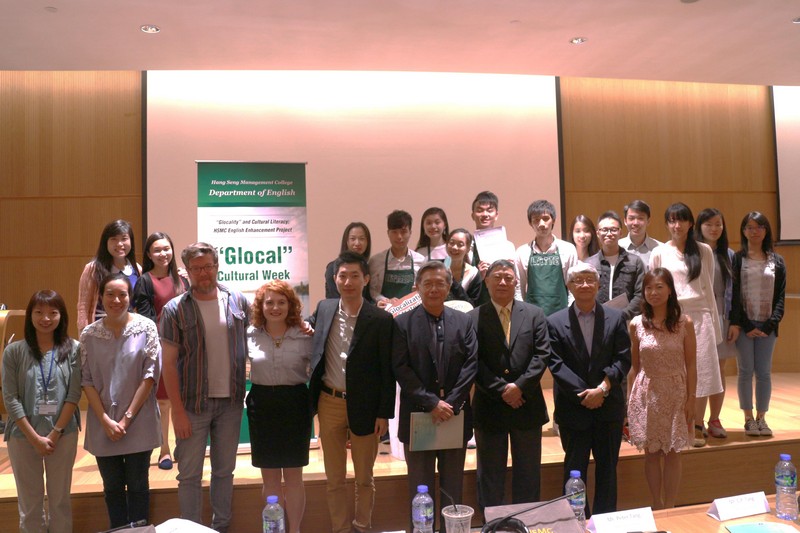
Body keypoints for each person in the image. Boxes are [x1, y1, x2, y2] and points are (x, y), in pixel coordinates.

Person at [159, 242, 251, 532]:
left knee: (224, 472)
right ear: (187, 272)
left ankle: (221, 527)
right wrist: (177, 411)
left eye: (208, 266)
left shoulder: (237, 300)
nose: (204, 273)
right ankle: (192, 529)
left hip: (231, 403)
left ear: (217, 266)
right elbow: (169, 364)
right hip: (192, 405)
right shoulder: (175, 309)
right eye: (197, 268)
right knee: (189, 476)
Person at [309, 251, 395, 533]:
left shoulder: (380, 319)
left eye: (354, 276)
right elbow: (307, 332)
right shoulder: (324, 309)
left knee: (364, 478)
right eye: (342, 276)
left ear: (366, 279)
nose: (348, 281)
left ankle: (362, 526)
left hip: (367, 407)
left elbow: (387, 370)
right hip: (329, 401)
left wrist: (384, 413)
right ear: (335, 279)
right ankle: (340, 529)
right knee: (334, 479)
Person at [392, 261, 478, 531]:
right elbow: (400, 368)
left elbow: (471, 363)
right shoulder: (402, 323)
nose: (433, 289)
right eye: (427, 283)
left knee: (453, 487)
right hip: (419, 415)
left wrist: (450, 404)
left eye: (440, 283)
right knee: (420, 488)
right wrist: (432, 403)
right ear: (417, 287)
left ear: (449, 286)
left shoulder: (463, 320)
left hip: (454, 414)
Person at [547, 263, 631, 517]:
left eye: (589, 280)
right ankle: (575, 521)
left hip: (608, 407)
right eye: (578, 280)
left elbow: (623, 359)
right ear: (569, 286)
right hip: (574, 408)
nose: (584, 284)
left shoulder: (616, 318)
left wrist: (603, 389)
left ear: (598, 285)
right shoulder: (554, 321)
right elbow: (555, 364)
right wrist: (586, 393)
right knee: (574, 470)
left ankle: (605, 522)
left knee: (608, 469)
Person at [81, 273, 161, 528]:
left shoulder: (146, 327)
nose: (116, 300)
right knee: (112, 487)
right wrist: (105, 420)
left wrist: (126, 418)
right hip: (103, 421)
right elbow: (87, 380)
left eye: (122, 294)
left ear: (131, 296)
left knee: (138, 485)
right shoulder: (89, 334)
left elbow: (150, 376)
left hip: (139, 419)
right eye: (110, 294)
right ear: (101, 298)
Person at [469, 260, 549, 510]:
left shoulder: (534, 314)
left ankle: (525, 523)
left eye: (508, 277)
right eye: (497, 277)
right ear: (487, 281)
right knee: (490, 475)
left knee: (528, 473)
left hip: (527, 405)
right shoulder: (472, 317)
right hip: (489, 406)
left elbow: (542, 355)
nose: (502, 282)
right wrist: (502, 389)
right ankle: (493, 525)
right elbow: (473, 360)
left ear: (516, 282)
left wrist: (520, 387)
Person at [2, 290, 81, 533]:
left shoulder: (74, 349)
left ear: (62, 316)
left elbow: (74, 395)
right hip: (22, 437)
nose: (45, 318)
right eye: (39, 312)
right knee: (30, 504)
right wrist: (34, 438)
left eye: (52, 312)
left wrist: (55, 433)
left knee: (60, 502)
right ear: (30, 315)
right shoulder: (14, 351)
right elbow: (10, 398)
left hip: (63, 435)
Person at [649, 203, 723, 448]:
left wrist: (715, 324)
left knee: (701, 370)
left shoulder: (703, 251)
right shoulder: (659, 252)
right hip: (672, 316)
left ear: (691, 223)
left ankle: (698, 424)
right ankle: (678, 425)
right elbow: (654, 290)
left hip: (700, 317)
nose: (676, 225)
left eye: (681, 220)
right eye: (671, 220)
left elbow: (709, 290)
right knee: (675, 371)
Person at [627, 268, 697, 509]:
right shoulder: (636, 324)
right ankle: (656, 504)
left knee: (673, 453)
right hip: (647, 392)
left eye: (659, 287)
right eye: (649, 288)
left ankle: (671, 506)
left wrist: (692, 398)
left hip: (676, 392)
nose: (653, 292)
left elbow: (691, 364)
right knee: (652, 453)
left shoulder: (684, 322)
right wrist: (630, 401)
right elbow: (634, 367)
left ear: (669, 290)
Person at [247, 280, 313, 533]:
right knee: (270, 475)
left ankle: (294, 529)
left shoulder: (305, 334)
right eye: (270, 302)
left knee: (294, 475)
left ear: (291, 305)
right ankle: (275, 529)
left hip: (295, 403)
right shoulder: (249, 334)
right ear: (261, 306)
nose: (275, 307)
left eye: (281, 302)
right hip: (262, 405)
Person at [132, 231, 189, 470]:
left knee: (184, 399)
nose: (163, 254)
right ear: (148, 254)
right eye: (157, 250)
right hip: (161, 346)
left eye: (166, 248)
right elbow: (145, 318)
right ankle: (164, 449)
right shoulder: (145, 280)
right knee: (164, 401)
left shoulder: (183, 279)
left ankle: (183, 447)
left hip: (186, 347)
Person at [729, 212, 786, 437]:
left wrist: (770, 324)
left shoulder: (777, 260)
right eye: (750, 227)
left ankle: (762, 417)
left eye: (759, 227)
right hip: (744, 325)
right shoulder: (738, 258)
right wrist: (743, 323)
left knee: (763, 372)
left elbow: (780, 296)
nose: (755, 231)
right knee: (745, 371)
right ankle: (748, 418)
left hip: (767, 325)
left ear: (766, 230)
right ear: (743, 231)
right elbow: (733, 295)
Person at [694, 208, 737, 439]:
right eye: (708, 224)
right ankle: (695, 421)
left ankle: (715, 418)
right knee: (698, 370)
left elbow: (736, 292)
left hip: (723, 315)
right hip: (699, 316)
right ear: (699, 226)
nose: (714, 229)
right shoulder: (692, 253)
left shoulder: (728, 255)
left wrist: (734, 322)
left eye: (718, 224)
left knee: (719, 370)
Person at [516, 199, 578, 316]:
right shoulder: (522, 252)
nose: (541, 224)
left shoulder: (568, 249)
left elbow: (573, 286)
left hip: (562, 315)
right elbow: (519, 288)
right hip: (532, 316)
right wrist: (524, 314)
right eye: (536, 219)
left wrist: (569, 313)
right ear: (530, 223)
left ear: (553, 220)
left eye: (545, 218)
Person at [77, 219, 142, 331]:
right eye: (114, 239)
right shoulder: (93, 269)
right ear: (106, 242)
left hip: (129, 328)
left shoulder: (137, 269)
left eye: (124, 239)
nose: (119, 244)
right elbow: (83, 306)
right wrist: (84, 335)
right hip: (100, 328)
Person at [586, 211, 645, 321]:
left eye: (613, 229)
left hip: (627, 322)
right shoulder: (589, 264)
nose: (609, 233)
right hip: (597, 321)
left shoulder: (634, 261)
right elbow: (584, 294)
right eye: (604, 230)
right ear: (598, 233)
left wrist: (622, 316)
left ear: (620, 233)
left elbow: (640, 294)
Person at [368, 210, 425, 309]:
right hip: (385, 313)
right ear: (388, 233)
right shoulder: (376, 261)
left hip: (412, 313)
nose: (399, 237)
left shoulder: (420, 261)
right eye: (394, 232)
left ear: (410, 233)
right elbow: (372, 290)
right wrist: (384, 300)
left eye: (403, 232)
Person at [469, 190, 518, 306]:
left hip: (503, 303)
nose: (485, 214)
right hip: (474, 303)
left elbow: (515, 281)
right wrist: (477, 274)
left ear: (496, 215)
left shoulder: (508, 246)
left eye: (489, 211)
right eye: (480, 210)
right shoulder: (466, 246)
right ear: (473, 215)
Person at [324, 222, 373, 302]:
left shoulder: (367, 268)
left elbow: (368, 298)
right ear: (346, 242)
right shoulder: (332, 268)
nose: (357, 243)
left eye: (362, 239)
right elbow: (335, 299)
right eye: (353, 239)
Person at [619, 200, 662, 270]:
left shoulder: (659, 249)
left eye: (640, 218)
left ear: (648, 221)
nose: (635, 223)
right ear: (625, 221)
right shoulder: (617, 247)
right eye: (631, 218)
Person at [445, 228, 482, 306]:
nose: (454, 247)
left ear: (468, 249)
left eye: (460, 244)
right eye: (451, 243)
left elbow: (472, 305)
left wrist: (453, 282)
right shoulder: (436, 268)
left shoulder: (473, 274)